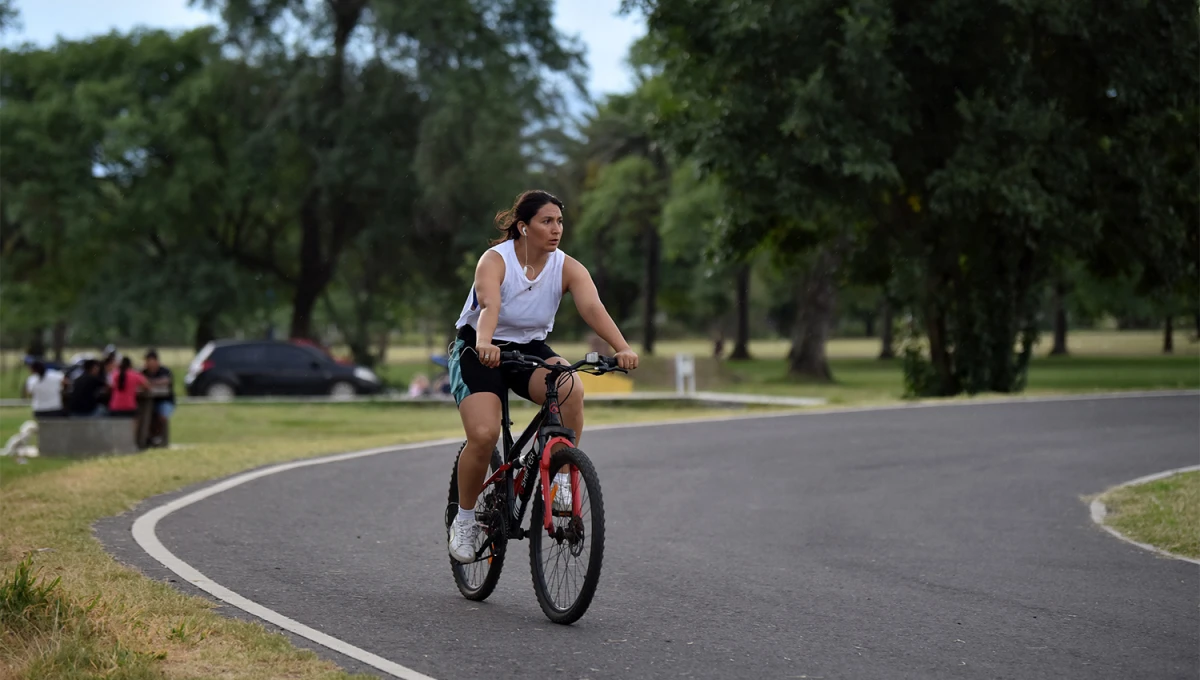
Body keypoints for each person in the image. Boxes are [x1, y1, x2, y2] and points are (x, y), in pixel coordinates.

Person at [446, 189, 639, 563]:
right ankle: (465, 520)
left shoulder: (567, 267)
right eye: (547, 222)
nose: (556, 230)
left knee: (569, 387)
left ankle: (562, 478)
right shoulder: (495, 260)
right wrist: (485, 342)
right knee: (484, 435)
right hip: (478, 347)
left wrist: (622, 347)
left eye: (560, 222)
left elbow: (592, 307)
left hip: (528, 349)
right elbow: (489, 304)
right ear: (523, 227)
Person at [141, 350, 175, 446]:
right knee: (144, 415)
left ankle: (160, 438)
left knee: (161, 415)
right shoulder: (143, 372)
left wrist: (150, 382)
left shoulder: (165, 371)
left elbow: (166, 381)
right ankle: (146, 438)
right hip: (146, 401)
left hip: (164, 400)